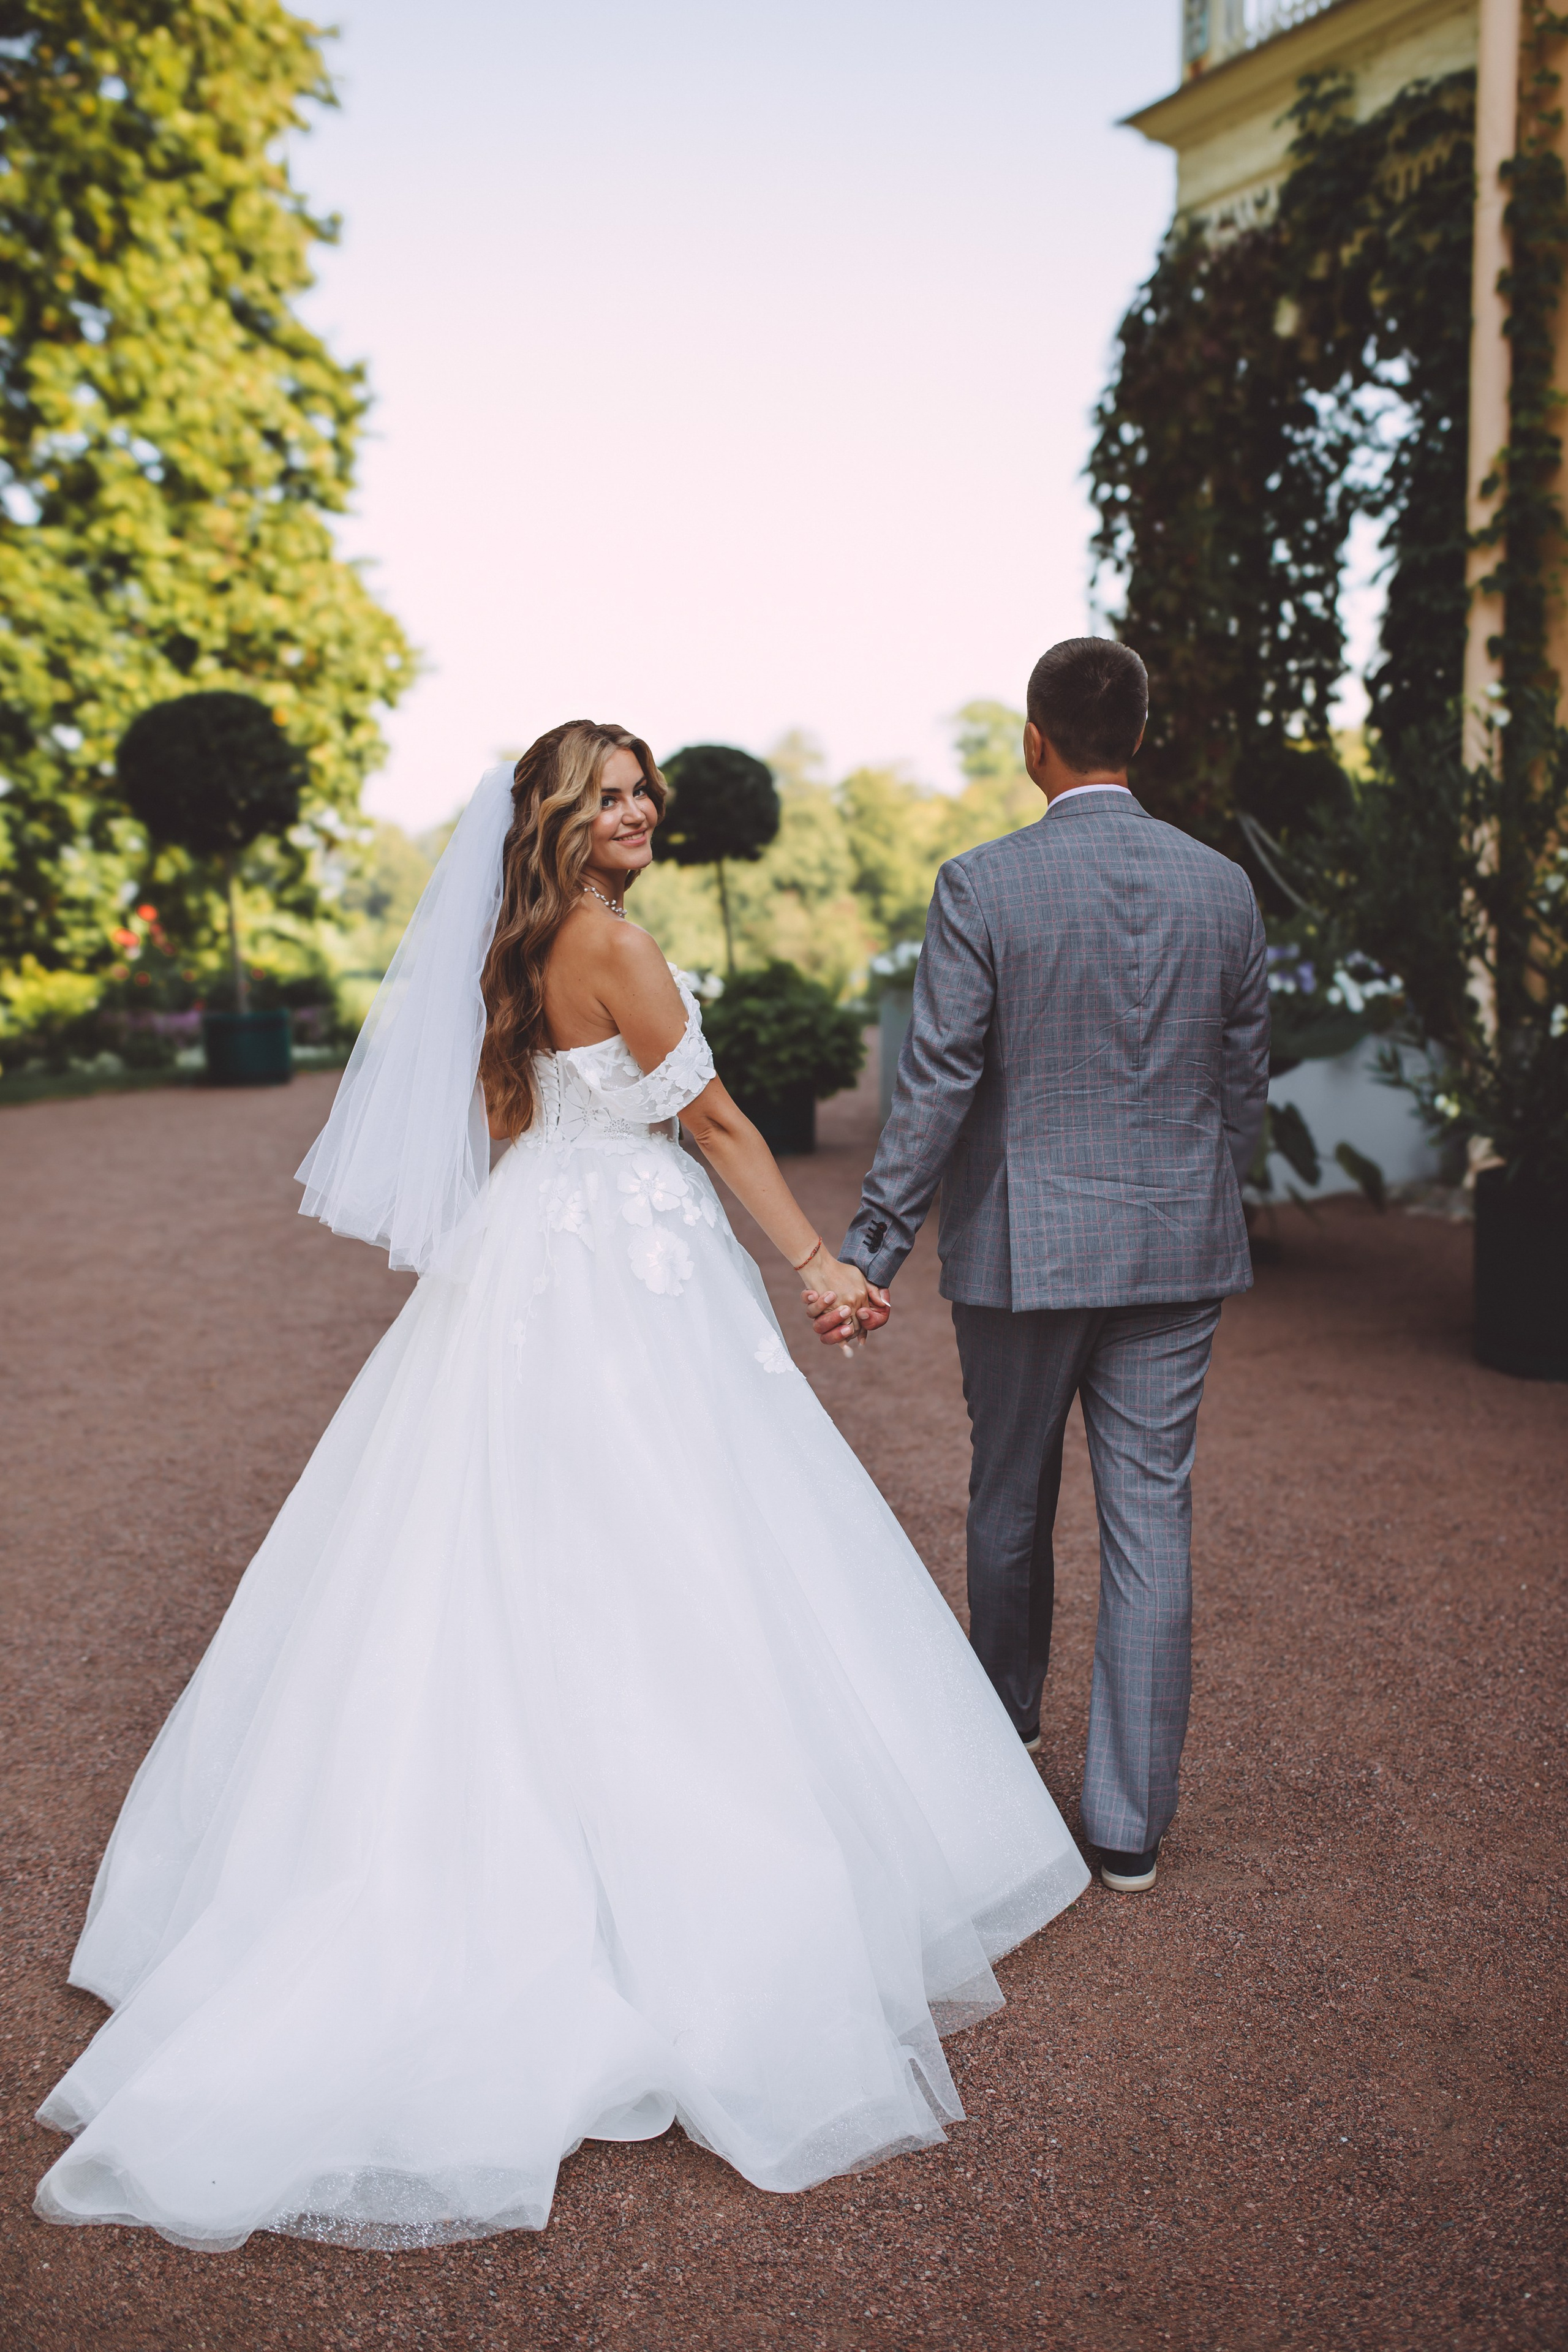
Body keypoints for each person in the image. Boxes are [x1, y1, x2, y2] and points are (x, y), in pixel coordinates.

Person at [34, 720, 1089, 2253]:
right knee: (672, 1544)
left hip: (540, 1248)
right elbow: (712, 1119)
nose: (641, 810)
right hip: (629, 1270)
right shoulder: (613, 945)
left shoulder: (514, 948)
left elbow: (521, 1125)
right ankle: (675, 1887)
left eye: (644, 788)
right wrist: (818, 1269)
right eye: (610, 796)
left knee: (499, 1544)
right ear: (557, 819)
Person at [815, 641, 1269, 1896]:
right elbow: (1242, 1081)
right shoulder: (1220, 886)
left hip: (1025, 1248)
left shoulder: (980, 884)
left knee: (1008, 1497)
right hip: (1176, 1248)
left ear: (1034, 740)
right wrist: (1208, 1188)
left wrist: (873, 1244)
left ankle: (1003, 1730)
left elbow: (937, 1082)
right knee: (1150, 1519)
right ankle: (1127, 1825)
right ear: (1138, 732)